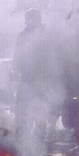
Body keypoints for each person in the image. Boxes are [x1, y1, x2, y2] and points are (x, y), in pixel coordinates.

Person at [12, 8, 50, 140]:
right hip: (27, 78)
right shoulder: (23, 35)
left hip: (41, 78)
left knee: (40, 110)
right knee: (22, 109)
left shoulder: (45, 33)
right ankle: (21, 138)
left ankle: (38, 139)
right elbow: (17, 56)